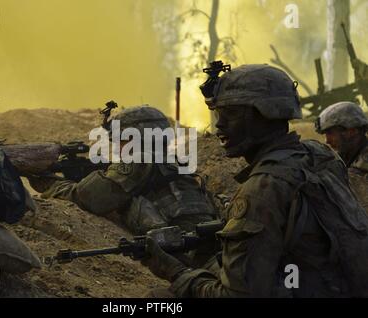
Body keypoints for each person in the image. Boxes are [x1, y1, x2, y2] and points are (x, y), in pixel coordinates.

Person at [140, 63, 368, 297]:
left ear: (264, 114)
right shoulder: (321, 156)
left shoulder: (263, 189)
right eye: (219, 113)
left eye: (231, 114)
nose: (219, 124)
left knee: (158, 299)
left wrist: (176, 272)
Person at [41, 106, 217, 235]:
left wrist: (47, 182)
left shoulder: (138, 162)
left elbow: (88, 199)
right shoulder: (174, 162)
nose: (116, 146)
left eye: (120, 139)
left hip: (181, 245)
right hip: (202, 238)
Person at [316, 101, 368, 210]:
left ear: (351, 132)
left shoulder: (362, 169)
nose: (327, 141)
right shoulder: (341, 161)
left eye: (330, 133)